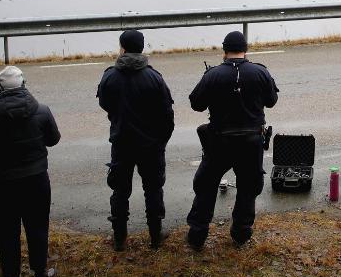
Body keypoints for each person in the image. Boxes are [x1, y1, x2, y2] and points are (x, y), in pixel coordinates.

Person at [185, 30, 279, 249]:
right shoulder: (260, 72)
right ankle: (241, 234)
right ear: (245, 50)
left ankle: (197, 235)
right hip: (251, 141)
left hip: (219, 141)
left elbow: (196, 103)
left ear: (224, 51)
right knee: (248, 187)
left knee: (206, 186)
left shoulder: (213, 75)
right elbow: (272, 100)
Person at [0, 66, 61, 277]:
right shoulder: (42, 111)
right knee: (38, 227)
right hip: (37, 181)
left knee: (6, 231)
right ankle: (40, 276)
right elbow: (53, 139)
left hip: (2, 184)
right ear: (23, 84)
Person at [97, 30, 175, 251]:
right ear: (141, 48)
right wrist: (161, 141)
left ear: (122, 48)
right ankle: (155, 236)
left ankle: (119, 237)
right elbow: (167, 115)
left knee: (120, 190)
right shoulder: (154, 77)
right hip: (151, 145)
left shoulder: (110, 76)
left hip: (121, 143)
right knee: (153, 189)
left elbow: (105, 104)